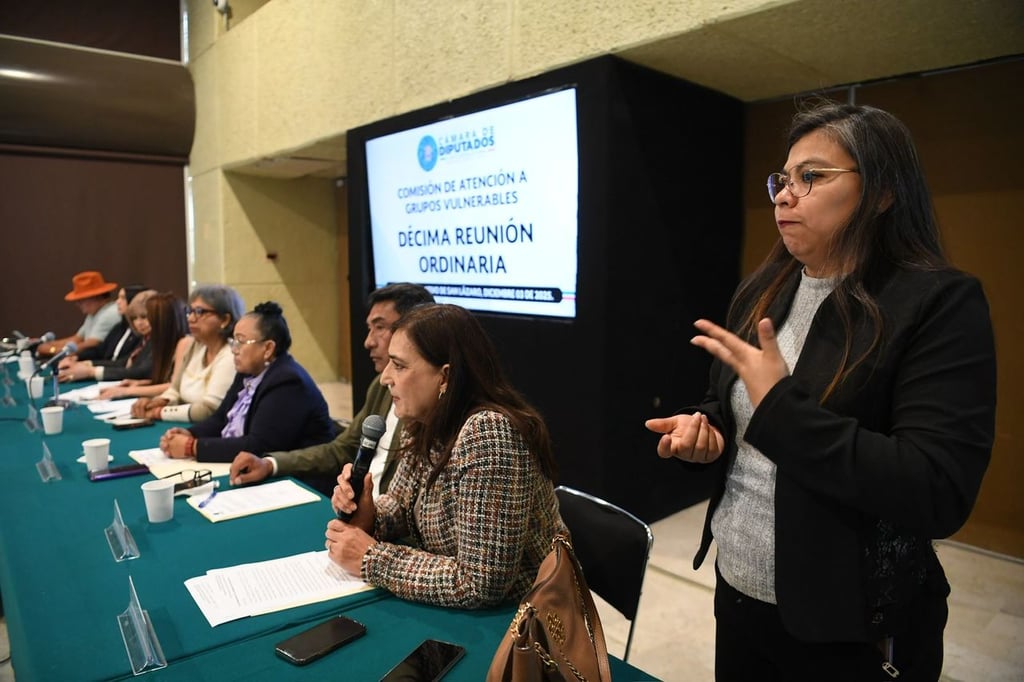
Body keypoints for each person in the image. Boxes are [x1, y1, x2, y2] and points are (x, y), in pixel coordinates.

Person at [644, 102, 996, 680]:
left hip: (851, 623)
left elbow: (937, 489)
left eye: (811, 177)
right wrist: (705, 429)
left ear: (882, 192)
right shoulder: (767, 287)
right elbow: (736, 404)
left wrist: (781, 407)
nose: (785, 195)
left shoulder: (939, 303)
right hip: (737, 590)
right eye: (782, 180)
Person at [325, 304, 566, 609]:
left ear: (445, 377)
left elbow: (481, 583)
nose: (386, 377)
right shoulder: (425, 421)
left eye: (399, 366)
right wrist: (369, 512)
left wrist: (372, 558)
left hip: (521, 622)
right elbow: (401, 505)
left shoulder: (489, 434)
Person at [229, 283, 434, 495]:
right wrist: (271, 464)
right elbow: (342, 450)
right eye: (369, 329)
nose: (368, 342)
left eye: (380, 327)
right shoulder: (380, 387)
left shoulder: (432, 403)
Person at [159, 301, 337, 462]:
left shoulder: (288, 381)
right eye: (233, 341)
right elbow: (221, 418)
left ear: (268, 348)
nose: (234, 350)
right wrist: (190, 433)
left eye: (241, 342)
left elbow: (258, 446)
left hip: (302, 481)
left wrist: (192, 447)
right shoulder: (248, 372)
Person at [130, 284, 243, 422]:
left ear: (225, 320)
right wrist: (158, 401)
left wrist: (159, 412)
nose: (190, 319)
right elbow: (175, 389)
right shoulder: (194, 345)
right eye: (190, 311)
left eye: (200, 312)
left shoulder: (232, 355)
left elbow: (209, 410)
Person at [41, 271, 122, 357]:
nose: (78, 303)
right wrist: (46, 344)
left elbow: (89, 345)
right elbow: (77, 339)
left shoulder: (109, 314)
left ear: (97, 296)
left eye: (81, 299)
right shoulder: (94, 313)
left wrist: (52, 350)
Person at [66, 284, 147, 365]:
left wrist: (90, 366)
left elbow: (125, 362)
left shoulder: (140, 332)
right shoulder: (119, 327)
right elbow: (99, 350)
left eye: (123, 298)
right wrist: (77, 358)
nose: (117, 302)